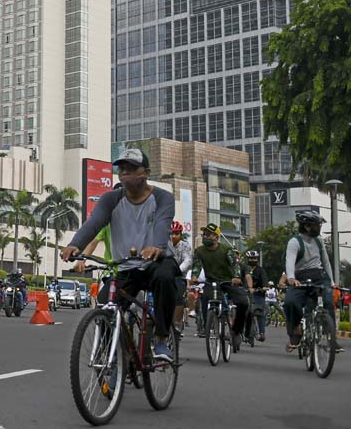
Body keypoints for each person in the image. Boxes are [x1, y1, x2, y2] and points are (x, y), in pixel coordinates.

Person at [62, 148, 178, 362]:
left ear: (146, 173)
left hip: (156, 261)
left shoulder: (163, 198)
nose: (125, 172)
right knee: (105, 303)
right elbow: (93, 223)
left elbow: (162, 223)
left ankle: (162, 338)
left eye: (131, 168)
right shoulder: (110, 199)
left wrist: (157, 246)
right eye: (122, 168)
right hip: (126, 267)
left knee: (166, 278)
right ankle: (113, 357)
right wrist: (75, 245)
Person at [283, 210, 341, 352]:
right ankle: (296, 327)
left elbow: (326, 262)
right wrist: (291, 278)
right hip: (300, 277)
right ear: (307, 226)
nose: (319, 228)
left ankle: (331, 339)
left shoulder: (319, 240)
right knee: (290, 302)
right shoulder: (294, 242)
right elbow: (289, 261)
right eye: (317, 225)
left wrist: (332, 282)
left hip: (319, 276)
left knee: (328, 302)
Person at [190, 223, 249, 352]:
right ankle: (206, 326)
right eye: (204, 234)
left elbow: (235, 265)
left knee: (243, 302)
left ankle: (236, 331)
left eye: (208, 234)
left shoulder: (226, 249)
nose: (205, 236)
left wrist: (237, 277)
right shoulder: (199, 251)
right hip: (211, 282)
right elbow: (196, 266)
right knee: (204, 297)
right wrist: (194, 277)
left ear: (216, 237)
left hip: (228, 282)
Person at [168, 220, 193, 332]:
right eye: (171, 233)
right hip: (164, 275)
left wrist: (177, 270)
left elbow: (187, 260)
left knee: (179, 297)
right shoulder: (163, 243)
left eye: (176, 234)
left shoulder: (185, 245)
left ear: (180, 234)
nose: (173, 236)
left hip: (178, 276)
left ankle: (177, 323)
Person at [242, 250, 268, 343]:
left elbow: (265, 282)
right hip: (245, 293)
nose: (253, 260)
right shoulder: (243, 269)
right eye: (251, 258)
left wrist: (264, 288)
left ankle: (261, 333)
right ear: (247, 259)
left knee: (260, 312)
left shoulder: (261, 270)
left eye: (255, 258)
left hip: (258, 294)